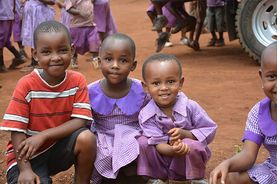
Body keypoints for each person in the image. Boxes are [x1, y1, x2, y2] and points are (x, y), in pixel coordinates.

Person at [0, 20, 96, 184]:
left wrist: (44, 136)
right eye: (46, 52)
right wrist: (25, 169)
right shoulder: (27, 84)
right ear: (35, 55)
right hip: (26, 157)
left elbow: (81, 120)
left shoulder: (77, 80)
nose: (56, 57)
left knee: (87, 138)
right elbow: (16, 130)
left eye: (62, 50)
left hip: (57, 150)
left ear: (72, 50)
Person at [137, 53, 217, 183]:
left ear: (180, 83)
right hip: (163, 155)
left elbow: (209, 128)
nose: (164, 88)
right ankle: (156, 178)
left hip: (186, 156)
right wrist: (173, 150)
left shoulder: (190, 106)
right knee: (142, 142)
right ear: (146, 87)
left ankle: (196, 178)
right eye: (156, 83)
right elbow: (157, 143)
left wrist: (185, 134)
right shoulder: (146, 114)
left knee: (192, 144)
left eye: (171, 81)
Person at [209, 42, 277, 184]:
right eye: (272, 76)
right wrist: (227, 164)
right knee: (225, 179)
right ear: (261, 76)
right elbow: (248, 154)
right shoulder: (258, 112)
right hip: (273, 170)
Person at [88, 33, 149, 184]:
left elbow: (149, 117)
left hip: (132, 135)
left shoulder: (140, 90)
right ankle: (109, 176)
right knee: (96, 148)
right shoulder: (91, 91)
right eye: (109, 59)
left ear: (133, 65)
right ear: (99, 62)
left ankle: (133, 172)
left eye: (123, 60)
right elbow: (85, 121)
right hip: (103, 136)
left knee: (144, 143)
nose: (115, 65)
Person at [20, 0, 55, 72]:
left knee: (41, 37)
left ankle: (41, 62)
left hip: (40, 14)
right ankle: (34, 62)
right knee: (33, 37)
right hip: (32, 13)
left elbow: (52, 2)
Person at [65, 0, 100, 69]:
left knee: (94, 41)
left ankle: (95, 60)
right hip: (77, 25)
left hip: (91, 24)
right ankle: (74, 59)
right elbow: (68, 9)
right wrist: (80, 12)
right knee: (75, 45)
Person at [0, 0, 26, 72]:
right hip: (6, 16)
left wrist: (15, 12)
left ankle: (2, 65)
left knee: (3, 40)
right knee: (3, 40)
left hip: (6, 16)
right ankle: (18, 56)